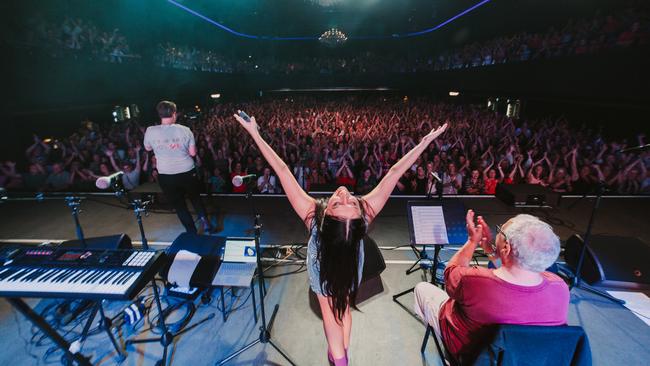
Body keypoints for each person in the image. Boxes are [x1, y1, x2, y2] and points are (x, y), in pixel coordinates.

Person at [233, 111, 447, 366]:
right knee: (336, 313)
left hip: (348, 264)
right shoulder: (342, 214)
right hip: (325, 269)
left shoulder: (321, 214)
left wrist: (424, 143)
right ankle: (340, 356)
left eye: (343, 202)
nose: (345, 194)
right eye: (346, 201)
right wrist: (253, 132)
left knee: (341, 309)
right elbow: (394, 171)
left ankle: (338, 357)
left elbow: (282, 170)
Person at [414, 210, 569, 364]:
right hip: (523, 359)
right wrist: (490, 249)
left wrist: (472, 241)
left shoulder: (475, 281)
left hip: (472, 356)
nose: (498, 231)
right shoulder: (559, 288)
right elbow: (516, 272)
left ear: (507, 248)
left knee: (423, 288)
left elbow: (450, 274)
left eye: (501, 229)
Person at [144, 101, 211, 233]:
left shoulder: (150, 131)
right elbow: (193, 153)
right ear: (174, 114)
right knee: (195, 198)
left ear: (159, 115)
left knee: (179, 205)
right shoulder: (185, 130)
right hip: (187, 171)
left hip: (166, 174)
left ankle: (191, 231)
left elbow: (147, 148)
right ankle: (205, 222)